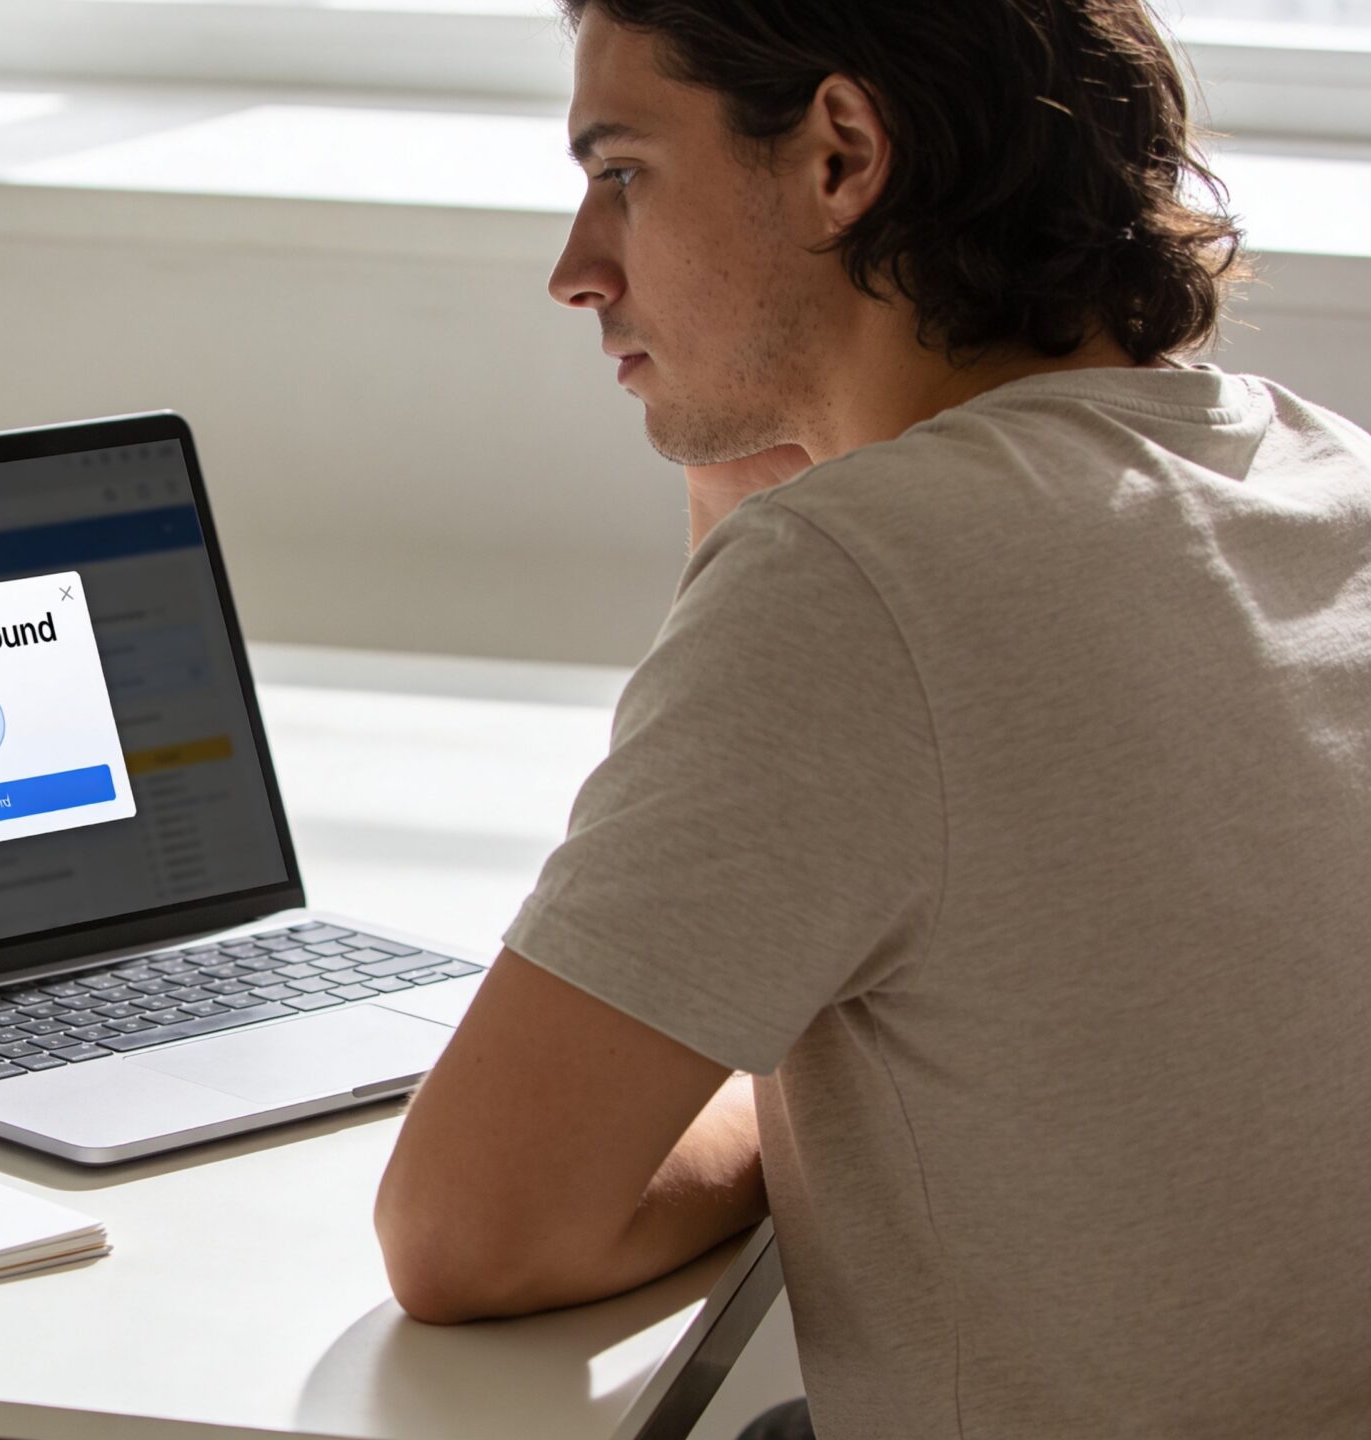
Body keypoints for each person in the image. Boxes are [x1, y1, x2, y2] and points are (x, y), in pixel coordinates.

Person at [369, 2, 1371, 1437]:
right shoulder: (1326, 477)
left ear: (841, 155)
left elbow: (473, 1231)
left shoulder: (861, 580)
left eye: (623, 171)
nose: (575, 270)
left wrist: (741, 1115)